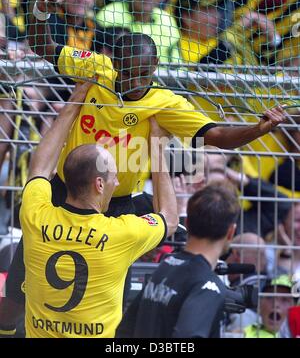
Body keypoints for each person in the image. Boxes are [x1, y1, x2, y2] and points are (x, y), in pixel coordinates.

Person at [0, 0, 286, 336]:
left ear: (154, 68)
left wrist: (258, 129)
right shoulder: (94, 68)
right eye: (125, 73)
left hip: (116, 204)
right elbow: (43, 47)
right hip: (66, 191)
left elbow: (218, 136)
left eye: (140, 76)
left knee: (108, 299)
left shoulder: (166, 104)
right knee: (18, 288)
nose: (131, 83)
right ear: (113, 63)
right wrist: (41, 14)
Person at [9, 80, 178, 338]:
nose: (119, 182)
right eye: (114, 177)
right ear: (100, 184)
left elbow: (41, 167)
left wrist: (73, 103)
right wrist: (157, 146)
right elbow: (169, 217)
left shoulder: (35, 214)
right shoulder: (123, 234)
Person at [117, 182, 240, 338]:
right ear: (231, 232)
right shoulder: (207, 286)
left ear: (187, 222)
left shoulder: (164, 268)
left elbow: (124, 331)